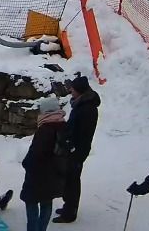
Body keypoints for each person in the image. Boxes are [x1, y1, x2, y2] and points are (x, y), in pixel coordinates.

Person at [54, 76, 100, 224]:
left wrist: (69, 144)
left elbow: (81, 133)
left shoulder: (87, 109)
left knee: (72, 181)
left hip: (77, 151)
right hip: (75, 149)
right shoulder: (81, 104)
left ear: (80, 91)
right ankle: (68, 206)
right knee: (69, 179)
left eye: (73, 89)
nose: (70, 91)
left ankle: (70, 213)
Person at [21, 96, 66, 231]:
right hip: (55, 173)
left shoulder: (45, 129)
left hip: (38, 175)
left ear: (46, 111)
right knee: (47, 201)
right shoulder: (63, 126)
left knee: (31, 201)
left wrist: (26, 164)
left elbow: (36, 153)